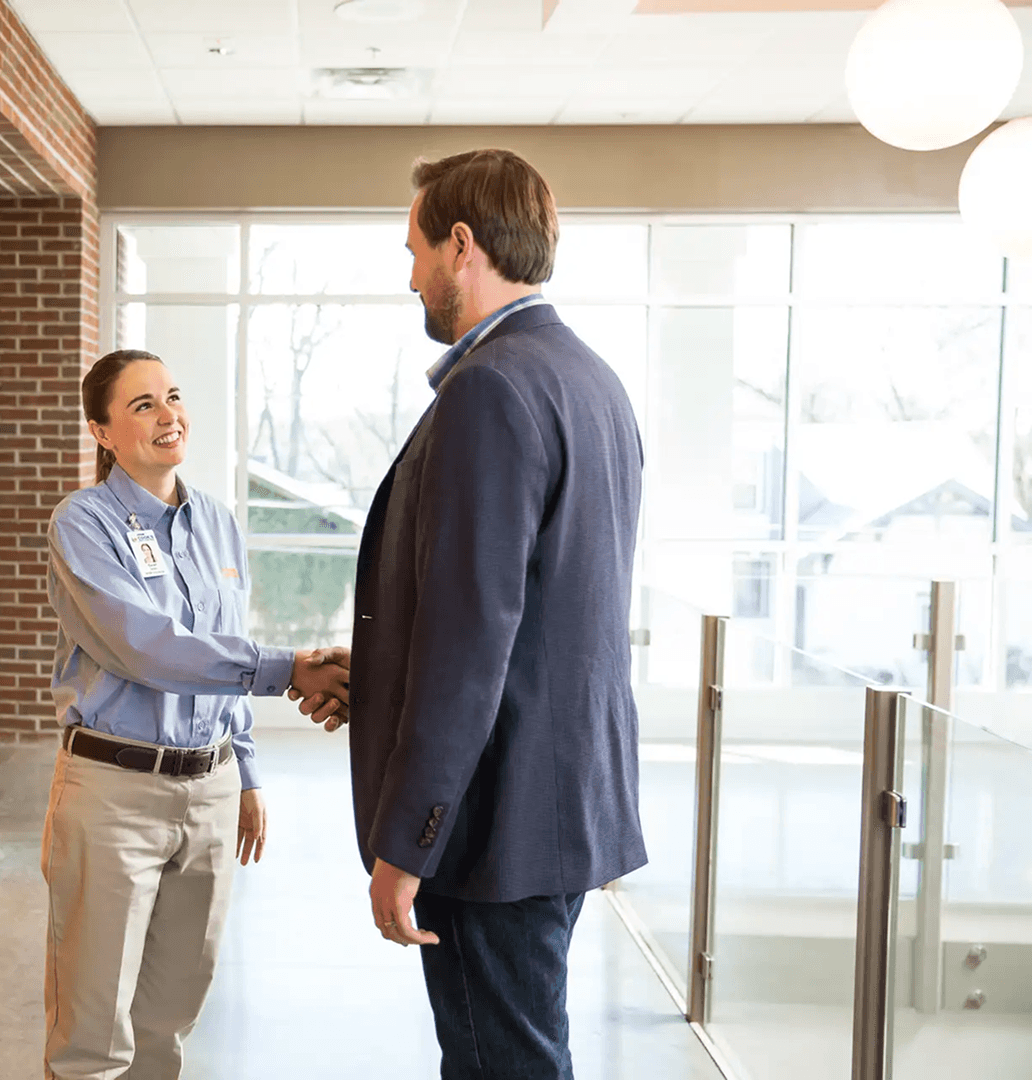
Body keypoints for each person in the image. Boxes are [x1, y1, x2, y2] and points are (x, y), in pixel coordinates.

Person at [296, 149, 647, 1078]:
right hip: (558, 802)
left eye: (412, 250)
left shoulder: (490, 389)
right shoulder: (591, 379)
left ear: (463, 245)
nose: (408, 274)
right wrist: (372, 682)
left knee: (501, 1064)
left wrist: (409, 841)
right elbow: (537, 614)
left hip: (493, 821)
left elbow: (472, 642)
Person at [43, 348, 350, 1080]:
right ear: (102, 431)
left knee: (169, 1020)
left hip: (209, 792)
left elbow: (220, 647)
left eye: (172, 396)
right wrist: (289, 670)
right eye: (142, 404)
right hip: (114, 794)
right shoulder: (83, 524)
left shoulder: (215, 519)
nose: (167, 414)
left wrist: (244, 773)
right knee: (93, 1035)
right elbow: (146, 646)